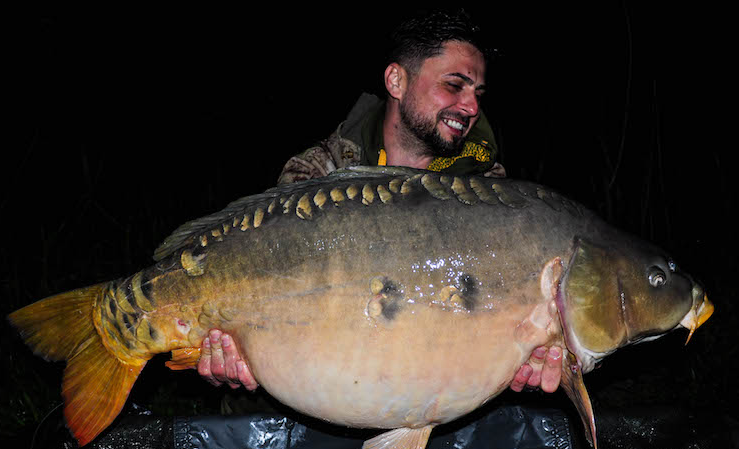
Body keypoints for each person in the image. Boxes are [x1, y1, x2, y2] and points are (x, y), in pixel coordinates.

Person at [197, 10, 561, 396]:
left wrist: (524, 362)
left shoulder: (491, 197)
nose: (471, 107)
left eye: (477, 93)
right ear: (396, 80)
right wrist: (238, 352)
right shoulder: (318, 174)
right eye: (455, 86)